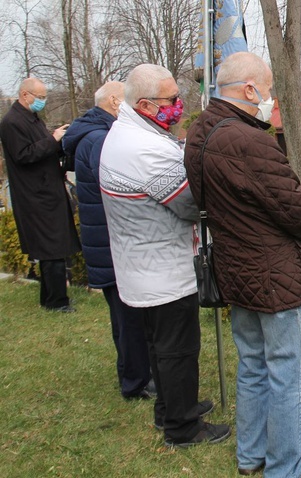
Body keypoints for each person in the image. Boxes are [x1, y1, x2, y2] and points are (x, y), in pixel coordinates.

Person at [184, 52, 301, 478]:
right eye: (267, 90)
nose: (270, 99)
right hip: (271, 272)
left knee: (252, 364)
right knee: (291, 376)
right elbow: (297, 208)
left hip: (233, 268)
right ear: (249, 89)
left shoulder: (199, 132)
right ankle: (284, 468)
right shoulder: (250, 141)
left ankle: (251, 456)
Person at [99, 64, 229, 448]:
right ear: (144, 104)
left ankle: (171, 407)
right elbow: (188, 205)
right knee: (178, 349)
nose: (179, 104)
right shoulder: (146, 149)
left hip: (141, 264)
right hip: (163, 270)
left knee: (160, 346)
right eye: (171, 100)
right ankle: (182, 426)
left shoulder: (128, 131)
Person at [62, 81, 155, 400]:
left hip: (107, 238)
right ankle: (136, 381)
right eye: (127, 100)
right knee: (128, 317)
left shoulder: (92, 134)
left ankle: (135, 373)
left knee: (125, 315)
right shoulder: (100, 139)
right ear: (115, 102)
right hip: (112, 240)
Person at [0, 77, 80, 312]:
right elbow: (23, 155)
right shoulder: (11, 122)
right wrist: (52, 139)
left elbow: (41, 148)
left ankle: (51, 298)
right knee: (51, 247)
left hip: (47, 189)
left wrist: (56, 141)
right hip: (35, 195)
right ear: (25, 95)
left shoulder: (30, 118)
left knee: (52, 249)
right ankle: (57, 302)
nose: (43, 101)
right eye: (40, 97)